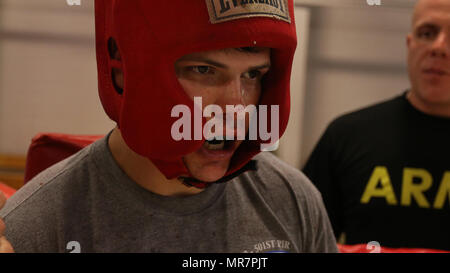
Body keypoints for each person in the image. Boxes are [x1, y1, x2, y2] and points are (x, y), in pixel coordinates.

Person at [0, 0, 338, 253]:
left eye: (253, 75)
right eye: (204, 71)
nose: (236, 109)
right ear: (123, 73)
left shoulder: (291, 199)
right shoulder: (39, 225)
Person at [303, 0, 450, 251]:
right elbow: (301, 239)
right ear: (410, 44)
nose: (439, 47)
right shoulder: (347, 136)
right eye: (427, 33)